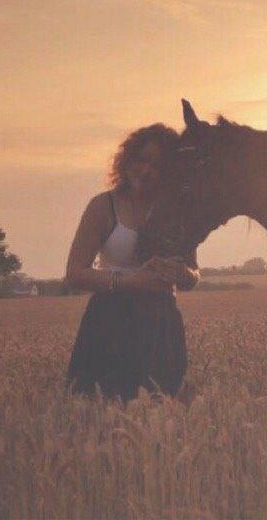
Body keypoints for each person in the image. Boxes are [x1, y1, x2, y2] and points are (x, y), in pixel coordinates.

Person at [64, 124, 199, 401]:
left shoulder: (177, 212)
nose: (146, 170)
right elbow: (75, 273)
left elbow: (194, 273)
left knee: (162, 415)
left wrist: (183, 274)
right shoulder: (103, 206)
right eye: (141, 160)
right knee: (99, 415)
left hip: (161, 324)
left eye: (158, 166)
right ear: (127, 160)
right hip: (109, 321)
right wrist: (132, 281)